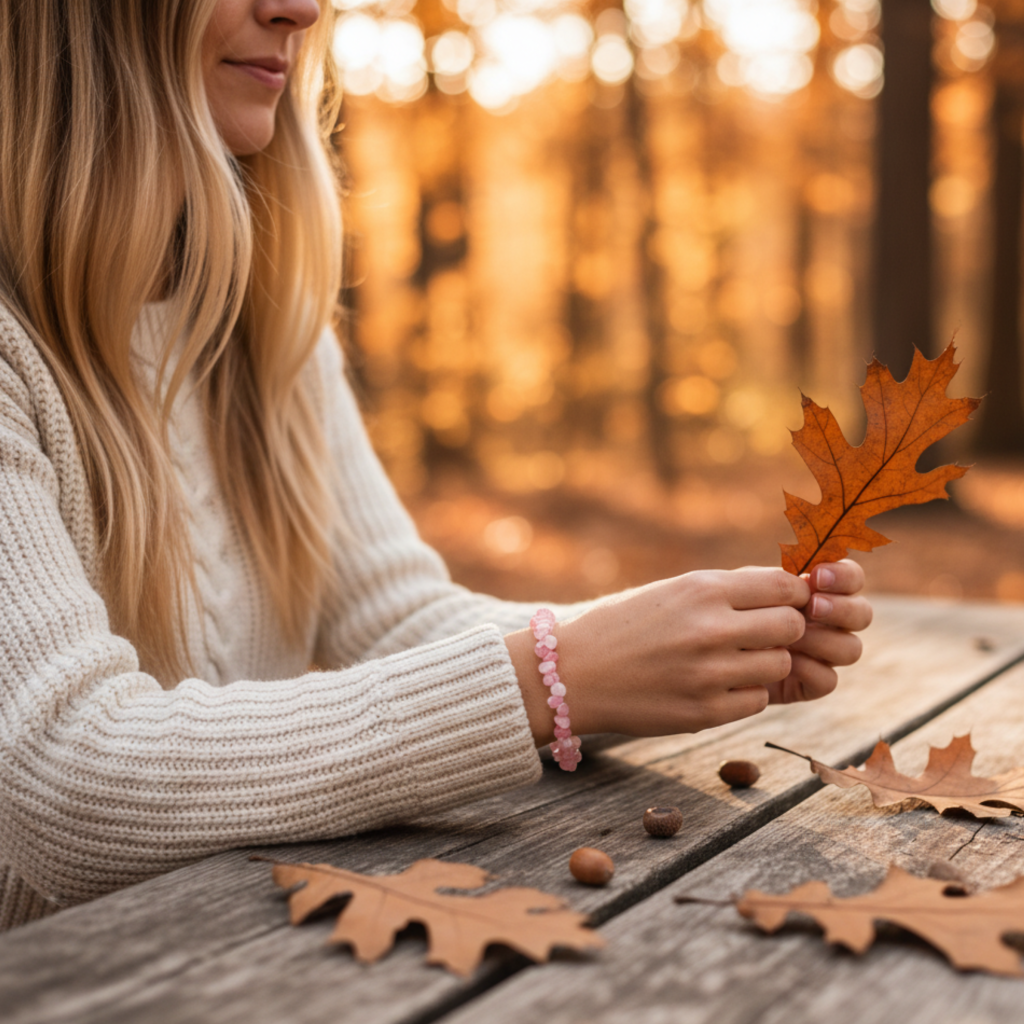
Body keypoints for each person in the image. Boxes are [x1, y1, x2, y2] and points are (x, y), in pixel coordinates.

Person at [0, 0, 872, 931]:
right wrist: (553, 677)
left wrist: (663, 649)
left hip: (254, 949)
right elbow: (67, 778)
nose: (300, 9)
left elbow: (396, 619)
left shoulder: (260, 318)